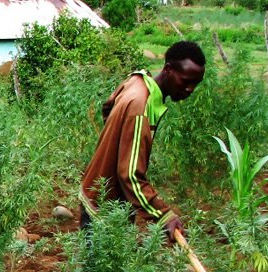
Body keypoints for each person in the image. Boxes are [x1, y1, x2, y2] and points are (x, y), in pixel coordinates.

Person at [79, 40, 206, 241]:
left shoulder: (137, 81)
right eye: (185, 81)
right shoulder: (141, 108)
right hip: (105, 206)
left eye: (195, 84)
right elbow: (129, 174)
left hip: (105, 195)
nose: (190, 89)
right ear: (168, 69)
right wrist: (163, 215)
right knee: (104, 271)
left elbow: (108, 107)